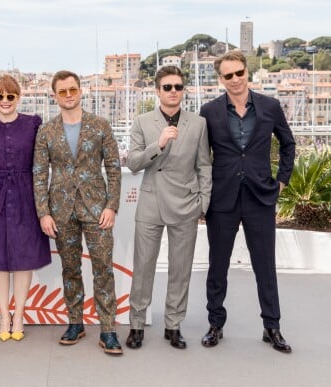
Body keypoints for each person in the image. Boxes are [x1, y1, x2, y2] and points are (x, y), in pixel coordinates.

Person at [200, 51, 295, 353]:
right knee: (217, 265)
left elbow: (288, 143)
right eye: (228, 75)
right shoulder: (209, 111)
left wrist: (282, 180)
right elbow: (201, 157)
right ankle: (215, 324)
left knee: (265, 266)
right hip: (222, 198)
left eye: (239, 72)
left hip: (260, 197)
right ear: (221, 80)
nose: (235, 79)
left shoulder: (270, 106)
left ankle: (272, 326)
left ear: (246, 72)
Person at [33, 70, 123, 355]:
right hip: (60, 210)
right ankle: (76, 322)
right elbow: (38, 173)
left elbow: (114, 168)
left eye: (73, 90)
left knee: (103, 268)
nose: (69, 95)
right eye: (63, 92)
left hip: (97, 209)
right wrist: (43, 213)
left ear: (80, 91)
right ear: (55, 96)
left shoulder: (101, 125)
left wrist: (112, 205)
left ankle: (107, 328)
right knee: (70, 269)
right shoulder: (46, 130)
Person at [125, 66, 212, 350]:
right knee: (143, 266)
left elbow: (204, 165)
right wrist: (158, 144)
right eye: (167, 87)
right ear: (157, 91)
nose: (173, 91)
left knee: (180, 269)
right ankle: (136, 324)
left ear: (183, 90)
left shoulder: (197, 124)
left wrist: (203, 202)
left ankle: (173, 325)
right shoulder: (142, 122)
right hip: (150, 202)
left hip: (186, 203)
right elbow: (134, 163)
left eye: (177, 86)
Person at [0, 75, 51, 342]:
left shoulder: (33, 124)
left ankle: (19, 315)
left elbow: (43, 161)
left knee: (23, 257)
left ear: (19, 98)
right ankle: (3, 315)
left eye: (10, 96)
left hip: (25, 195)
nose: (5, 101)